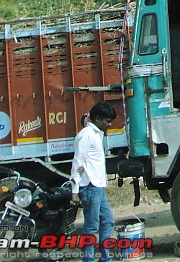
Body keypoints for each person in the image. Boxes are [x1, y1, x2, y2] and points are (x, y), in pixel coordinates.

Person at [70, 102, 117, 262]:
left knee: (108, 221)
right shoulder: (86, 135)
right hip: (89, 186)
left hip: (97, 186)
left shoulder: (97, 133)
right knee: (91, 227)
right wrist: (75, 191)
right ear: (98, 118)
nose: (109, 125)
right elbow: (78, 163)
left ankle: (105, 259)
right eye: (107, 121)